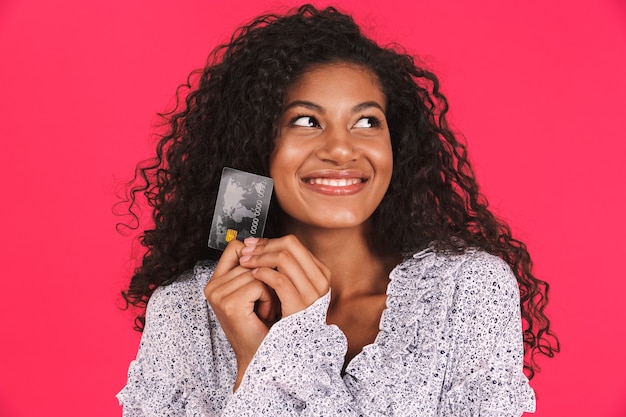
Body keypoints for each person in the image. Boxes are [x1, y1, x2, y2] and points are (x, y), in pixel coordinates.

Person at [117, 4, 559, 416]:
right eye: (306, 121)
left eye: (367, 121)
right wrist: (256, 356)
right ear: (255, 144)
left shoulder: (466, 291)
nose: (341, 149)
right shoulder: (184, 310)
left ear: (396, 145)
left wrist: (275, 355)